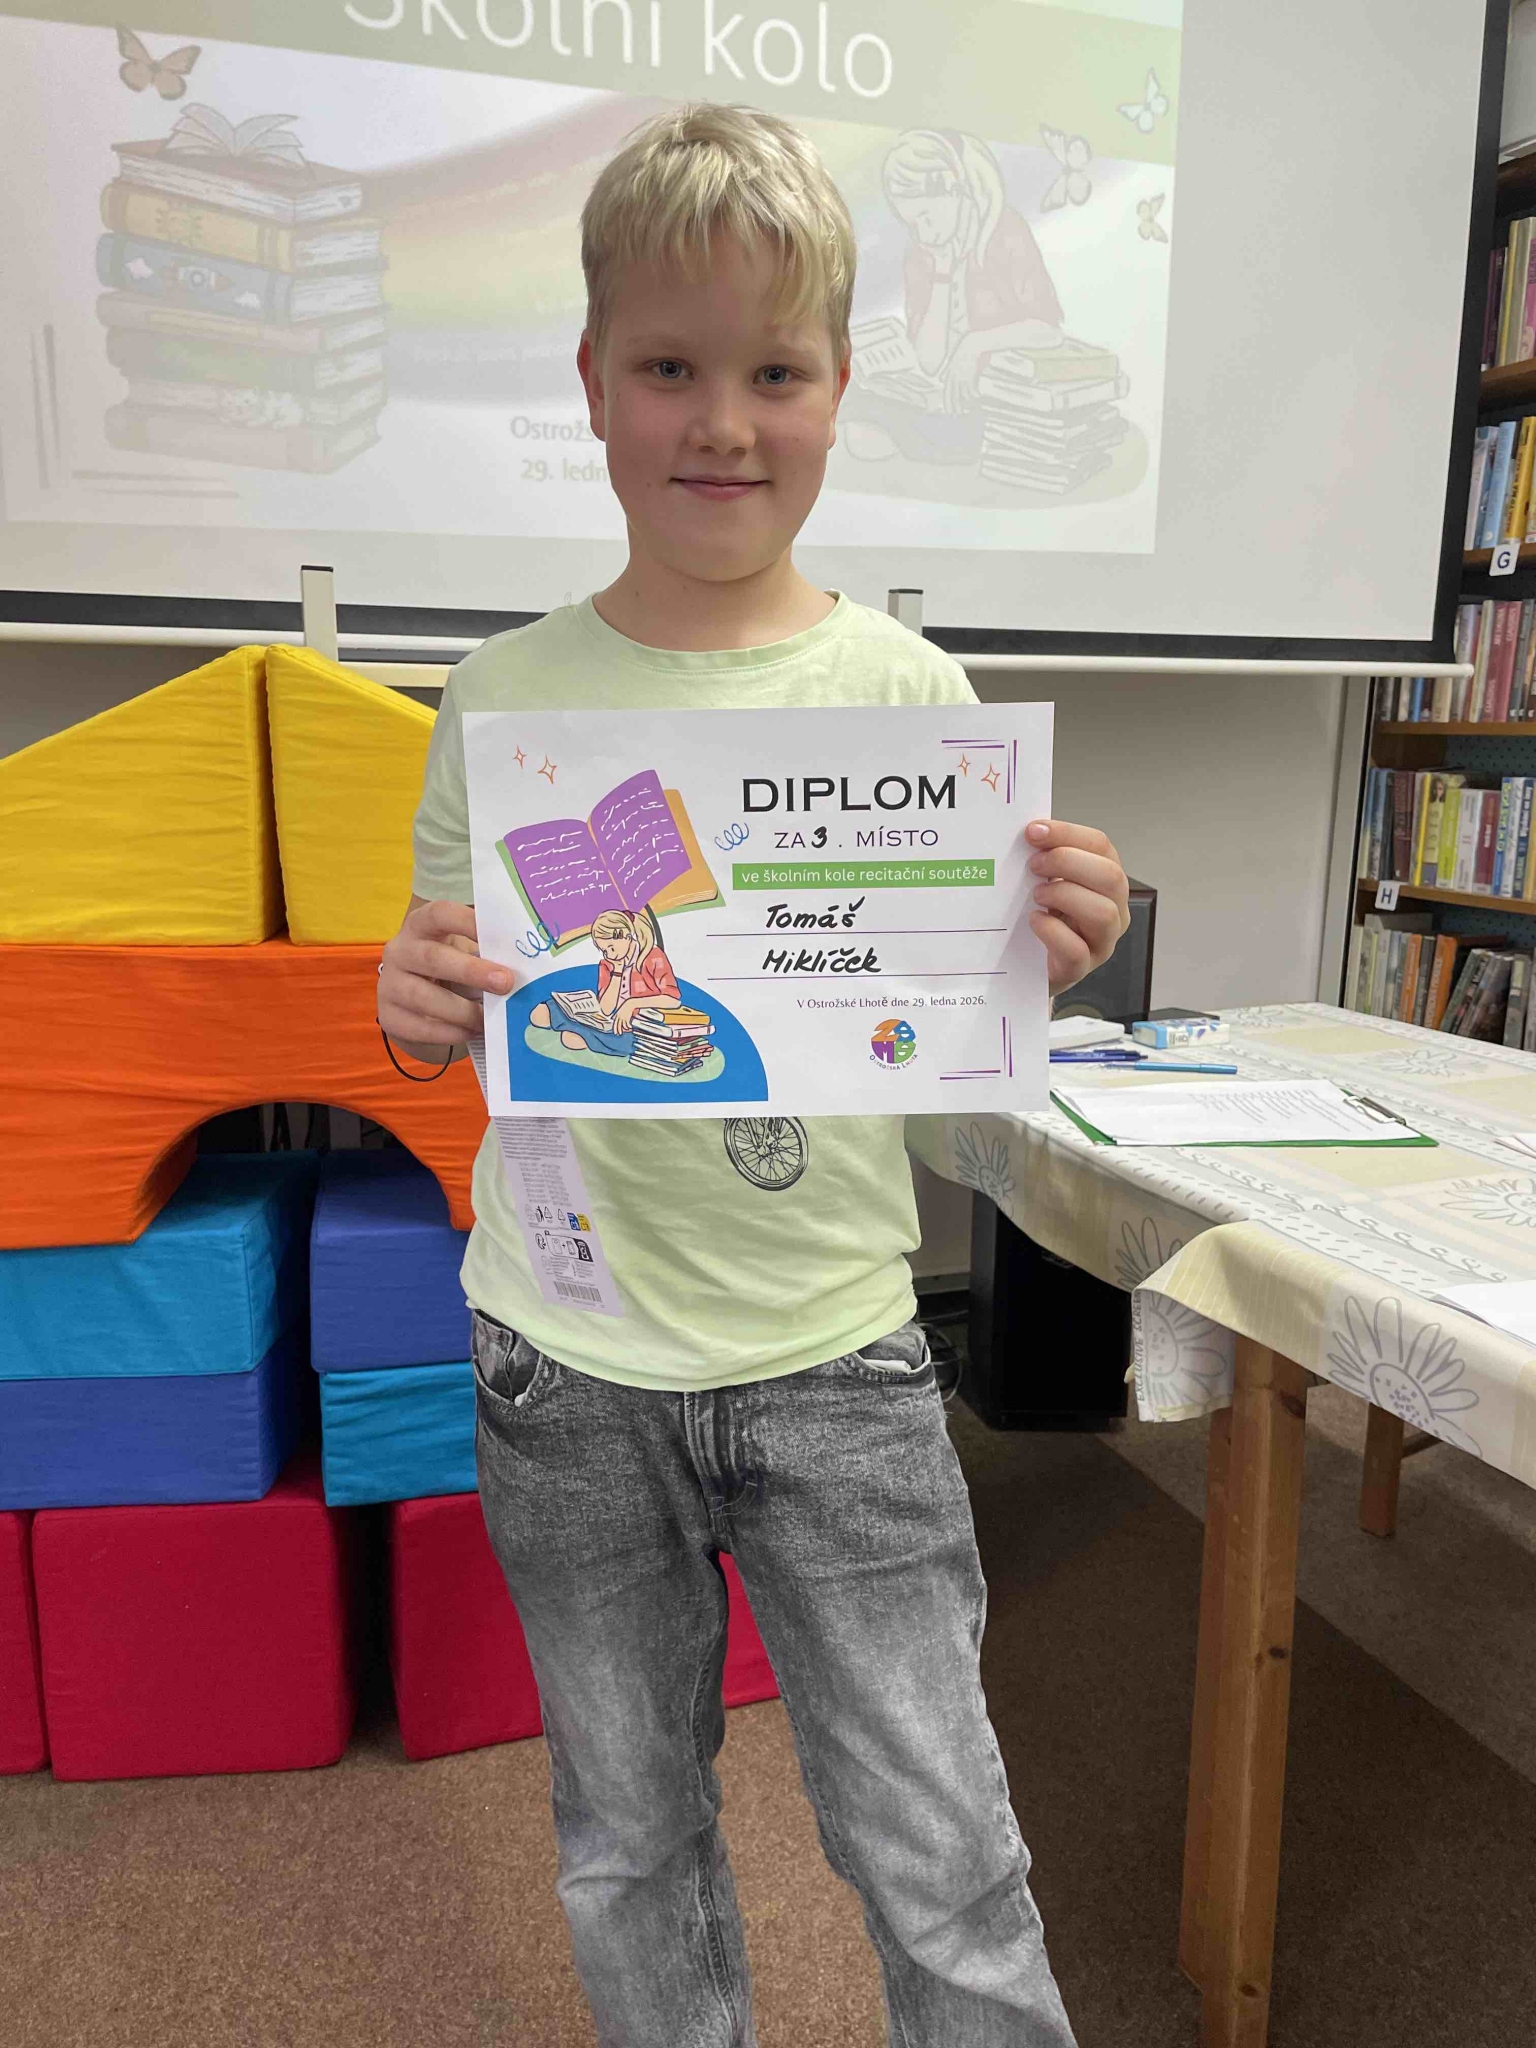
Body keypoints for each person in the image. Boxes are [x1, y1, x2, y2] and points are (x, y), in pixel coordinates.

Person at [378, 102, 1131, 2048]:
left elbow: (957, 1068)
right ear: (593, 384)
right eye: (670, 369)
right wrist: (414, 997)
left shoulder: (908, 697)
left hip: (836, 1357)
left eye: (774, 374)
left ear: (842, 389)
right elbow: (451, 1006)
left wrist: (1042, 959)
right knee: (628, 1838)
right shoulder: (504, 696)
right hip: (568, 1367)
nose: (723, 421)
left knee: (940, 1847)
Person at [844, 128, 1065, 467]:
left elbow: (1048, 331)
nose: (921, 232)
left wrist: (974, 345)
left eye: (925, 217)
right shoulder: (920, 255)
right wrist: (943, 273)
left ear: (954, 190)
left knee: (870, 435)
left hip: (988, 404)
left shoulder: (1005, 232)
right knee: (856, 422)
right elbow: (929, 361)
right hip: (934, 398)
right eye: (911, 223)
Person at [529, 905, 681, 1055]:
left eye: (611, 947)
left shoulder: (652, 955)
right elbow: (605, 1009)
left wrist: (631, 1004)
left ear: (627, 936)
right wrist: (618, 971)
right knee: (539, 1013)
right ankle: (580, 1028)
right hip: (607, 1020)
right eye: (604, 950)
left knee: (570, 1039)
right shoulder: (607, 964)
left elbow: (673, 1000)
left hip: (635, 1027)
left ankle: (584, 1033)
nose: (609, 954)